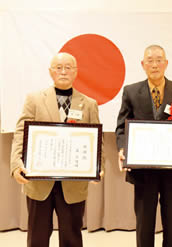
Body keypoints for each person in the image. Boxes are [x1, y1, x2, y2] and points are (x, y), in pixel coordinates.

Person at [10, 52, 104, 247]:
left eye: (68, 67)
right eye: (58, 67)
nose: (63, 71)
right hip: (38, 181)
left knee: (72, 236)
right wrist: (15, 164)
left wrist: (97, 167)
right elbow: (21, 132)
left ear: (76, 72)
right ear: (50, 71)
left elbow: (97, 140)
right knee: (37, 237)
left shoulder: (89, 104)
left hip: (73, 183)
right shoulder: (34, 99)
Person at [115, 45, 172, 247]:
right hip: (143, 170)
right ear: (143, 64)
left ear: (166, 63)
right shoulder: (131, 91)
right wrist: (123, 149)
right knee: (144, 222)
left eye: (159, 59)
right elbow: (121, 127)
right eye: (150, 60)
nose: (154, 64)